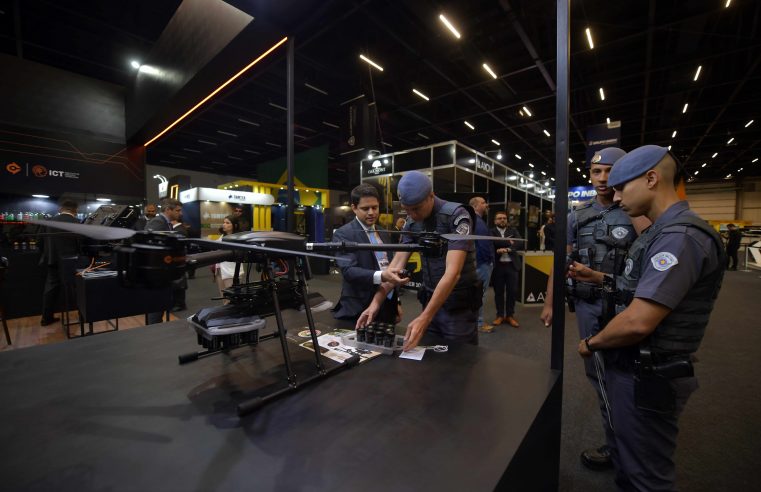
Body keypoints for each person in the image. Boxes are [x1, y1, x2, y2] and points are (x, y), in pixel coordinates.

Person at [572, 144, 726, 491]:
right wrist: (596, 277)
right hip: (637, 367)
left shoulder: (679, 238)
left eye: (623, 185)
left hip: (649, 371)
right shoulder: (660, 233)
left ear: (652, 179)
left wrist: (592, 343)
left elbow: (639, 321)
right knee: (629, 459)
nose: (615, 193)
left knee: (645, 475)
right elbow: (638, 285)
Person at [540, 146, 635, 470]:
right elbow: (561, 260)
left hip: (627, 309)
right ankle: (616, 446)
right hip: (588, 306)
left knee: (627, 377)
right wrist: (550, 302)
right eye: (597, 172)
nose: (603, 178)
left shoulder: (636, 211)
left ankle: (630, 448)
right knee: (599, 378)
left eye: (610, 171)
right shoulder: (576, 216)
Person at [357, 171, 479, 351]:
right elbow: (396, 266)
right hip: (429, 303)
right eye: (407, 209)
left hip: (457, 310)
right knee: (429, 359)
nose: (412, 215)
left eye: (416, 208)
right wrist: (375, 303)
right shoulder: (412, 223)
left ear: (431, 195)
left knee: (459, 363)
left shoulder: (457, 216)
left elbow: (453, 273)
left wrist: (424, 318)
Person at [332, 184, 398, 324]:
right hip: (358, 307)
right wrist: (382, 276)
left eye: (375, 207)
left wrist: (396, 301)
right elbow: (348, 270)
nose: (371, 212)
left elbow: (391, 266)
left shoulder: (384, 233)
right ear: (354, 208)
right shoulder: (343, 234)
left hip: (387, 305)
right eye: (365, 208)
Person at [39, 200, 81, 326]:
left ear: (60, 209)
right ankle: (82, 316)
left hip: (52, 260)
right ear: (75, 210)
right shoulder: (77, 223)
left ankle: (46, 318)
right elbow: (80, 244)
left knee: (50, 289)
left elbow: (39, 242)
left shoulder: (48, 222)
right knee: (76, 290)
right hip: (71, 262)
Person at [145, 198, 183, 323]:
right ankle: (153, 334)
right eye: (178, 210)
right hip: (157, 275)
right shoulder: (158, 223)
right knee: (155, 310)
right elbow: (152, 249)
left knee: (160, 308)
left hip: (163, 273)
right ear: (168, 209)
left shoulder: (165, 223)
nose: (180, 213)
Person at [490, 211, 523, 328]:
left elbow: (519, 243)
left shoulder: (513, 231)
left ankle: (510, 316)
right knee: (498, 292)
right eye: (499, 218)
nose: (502, 220)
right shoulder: (491, 232)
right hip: (497, 267)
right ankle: (499, 315)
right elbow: (491, 242)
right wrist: (509, 241)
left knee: (512, 292)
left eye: (504, 218)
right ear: (495, 221)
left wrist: (508, 249)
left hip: (511, 266)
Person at [469, 196, 495, 333]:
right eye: (483, 203)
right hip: (482, 263)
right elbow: (484, 245)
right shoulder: (478, 222)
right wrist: (489, 260)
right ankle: (478, 323)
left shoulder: (474, 220)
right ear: (475, 206)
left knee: (476, 293)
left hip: (477, 262)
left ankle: (474, 321)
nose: (486, 205)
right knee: (480, 294)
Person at [214, 215, 245, 303]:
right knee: (223, 298)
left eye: (227, 223)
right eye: (224, 222)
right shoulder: (222, 237)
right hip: (220, 270)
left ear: (234, 225)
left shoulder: (238, 238)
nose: (224, 224)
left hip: (232, 272)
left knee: (232, 299)